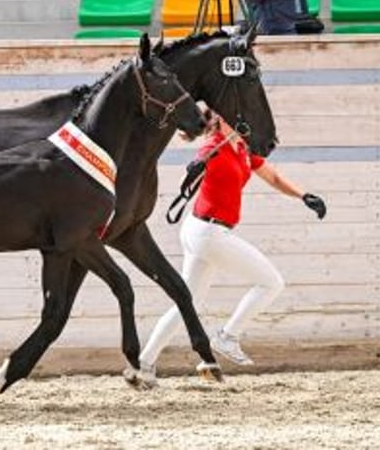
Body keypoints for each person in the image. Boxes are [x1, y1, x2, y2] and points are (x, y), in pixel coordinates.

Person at [139, 111, 326, 381]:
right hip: (208, 233)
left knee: (187, 304)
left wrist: (303, 196)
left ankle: (144, 364)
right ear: (218, 118)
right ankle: (227, 336)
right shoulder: (213, 146)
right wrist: (193, 170)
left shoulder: (243, 147)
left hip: (202, 230)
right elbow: (189, 178)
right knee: (271, 283)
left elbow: (272, 177)